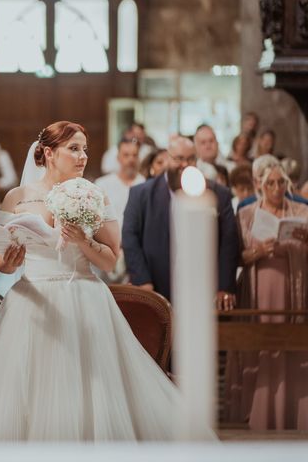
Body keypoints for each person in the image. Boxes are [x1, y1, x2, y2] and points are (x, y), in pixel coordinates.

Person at [0, 121, 196, 442]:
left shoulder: (93, 193)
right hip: (32, 301)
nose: (82, 157)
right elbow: (2, 265)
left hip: (84, 296)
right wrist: (11, 258)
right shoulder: (16, 197)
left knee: (92, 389)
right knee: (27, 391)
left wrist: (83, 241)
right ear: (49, 153)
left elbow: (111, 257)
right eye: (74, 149)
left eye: (85, 150)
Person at [226, 155, 308, 430]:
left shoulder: (301, 211)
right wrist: (256, 252)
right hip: (259, 290)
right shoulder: (246, 214)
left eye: (280, 182)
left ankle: (293, 410)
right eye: (270, 183)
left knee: (292, 342)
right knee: (262, 344)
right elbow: (236, 257)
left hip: (293, 289)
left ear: (287, 183)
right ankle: (260, 410)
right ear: (259, 184)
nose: (276, 188)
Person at [122, 136, 239, 307]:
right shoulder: (141, 194)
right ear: (167, 159)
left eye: (190, 159)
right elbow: (130, 237)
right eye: (179, 159)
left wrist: (224, 286)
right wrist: (142, 280)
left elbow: (229, 241)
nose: (185, 164)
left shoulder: (218, 193)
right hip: (156, 284)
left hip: (203, 285)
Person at [95, 137, 145, 283]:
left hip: (137, 253)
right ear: (118, 158)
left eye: (134, 155)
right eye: (126, 155)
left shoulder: (145, 184)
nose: (131, 159)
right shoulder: (103, 184)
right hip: (108, 251)